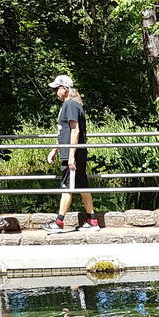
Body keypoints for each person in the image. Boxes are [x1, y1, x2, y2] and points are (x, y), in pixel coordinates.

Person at [44, 75, 99, 233]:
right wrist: (55, 149)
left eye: (57, 88)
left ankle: (59, 222)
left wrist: (71, 155)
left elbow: (75, 130)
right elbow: (65, 132)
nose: (55, 92)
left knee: (68, 187)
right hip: (72, 153)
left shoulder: (70, 105)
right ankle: (92, 220)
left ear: (65, 89)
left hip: (72, 154)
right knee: (82, 186)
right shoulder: (69, 105)